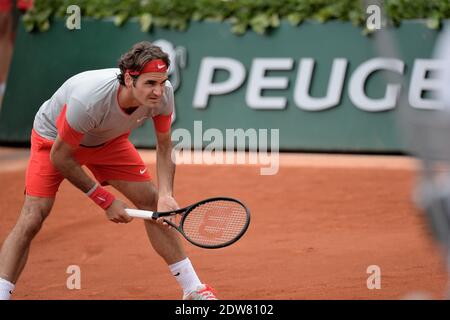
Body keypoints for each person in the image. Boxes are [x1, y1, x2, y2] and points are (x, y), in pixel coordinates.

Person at [0, 41, 217, 300]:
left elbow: (164, 146)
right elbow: (61, 156)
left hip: (108, 142)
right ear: (129, 78)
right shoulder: (89, 99)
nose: (159, 91)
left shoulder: (164, 94)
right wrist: (105, 200)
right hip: (54, 142)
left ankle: (192, 288)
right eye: (150, 83)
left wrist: (167, 193)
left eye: (162, 82)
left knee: (151, 200)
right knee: (33, 216)